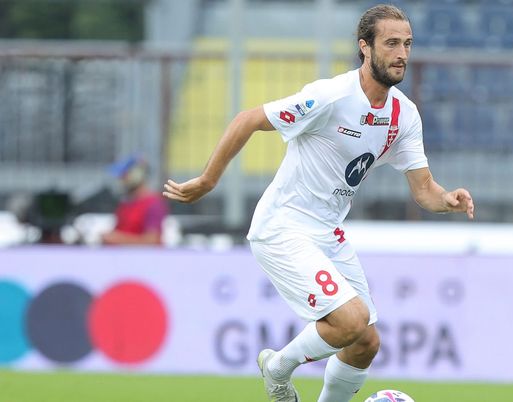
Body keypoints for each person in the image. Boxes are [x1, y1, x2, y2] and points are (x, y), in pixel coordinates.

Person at [163, 4, 474, 401]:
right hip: (284, 226)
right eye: (391, 43)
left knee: (366, 343)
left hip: (328, 232)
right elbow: (248, 119)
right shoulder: (330, 96)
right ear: (365, 47)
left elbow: (424, 188)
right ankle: (277, 368)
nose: (402, 54)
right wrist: (208, 180)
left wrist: (447, 199)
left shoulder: (403, 115)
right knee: (351, 320)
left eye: (408, 44)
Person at [101, 155, 169, 245]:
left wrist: (116, 239)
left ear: (137, 175)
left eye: (124, 175)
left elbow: (152, 242)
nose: (120, 180)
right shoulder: (126, 203)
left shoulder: (154, 204)